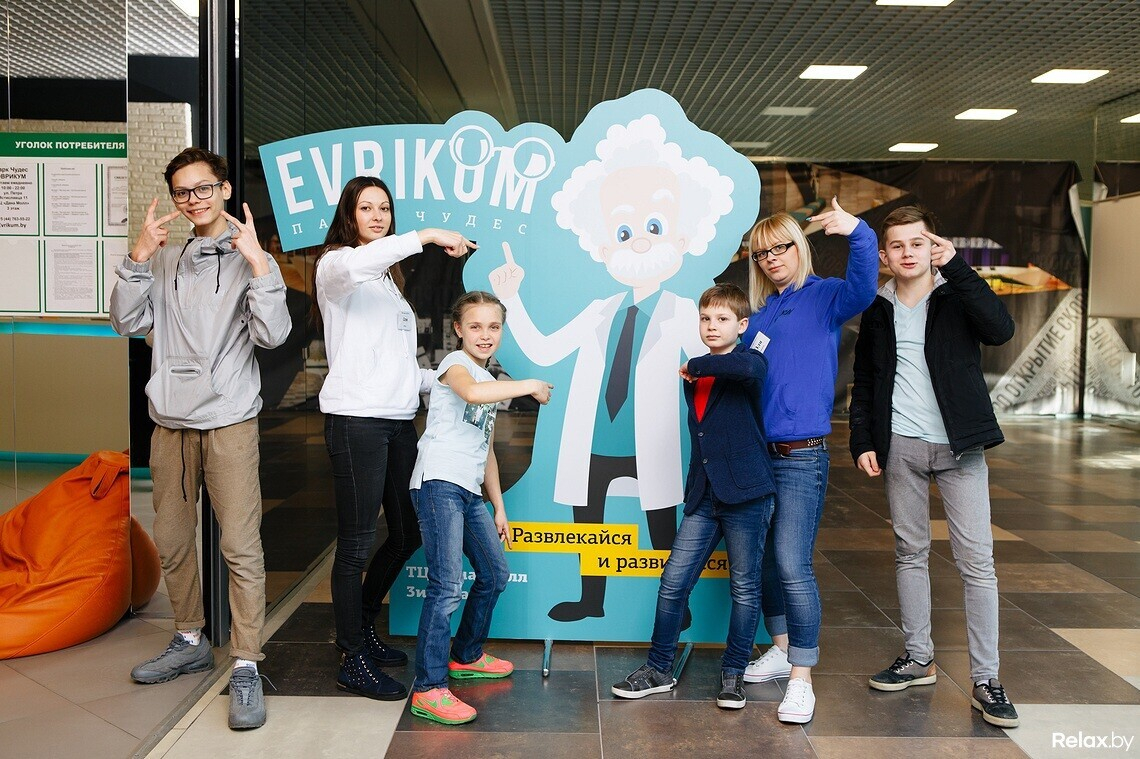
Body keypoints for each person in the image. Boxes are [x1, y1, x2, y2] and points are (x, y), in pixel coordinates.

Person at [489, 114, 728, 623]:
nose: (639, 241)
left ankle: (675, 604)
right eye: (624, 231)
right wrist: (512, 299)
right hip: (596, 438)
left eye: (654, 228)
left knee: (662, 521)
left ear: (680, 239)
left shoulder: (684, 312)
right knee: (589, 521)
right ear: (604, 247)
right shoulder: (600, 310)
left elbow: (716, 359)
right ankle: (590, 599)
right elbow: (545, 350)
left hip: (651, 439)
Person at [110, 147, 291, 730]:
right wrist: (138, 259)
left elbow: (274, 335)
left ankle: (246, 662)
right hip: (170, 421)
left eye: (204, 188)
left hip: (229, 420)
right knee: (172, 539)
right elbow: (127, 323)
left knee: (240, 546)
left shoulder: (250, 255)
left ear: (224, 188)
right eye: (183, 191)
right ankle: (189, 638)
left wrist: (259, 264)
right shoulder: (163, 256)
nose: (194, 199)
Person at [849, 205, 1018, 728]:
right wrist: (862, 440)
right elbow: (866, 380)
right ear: (884, 255)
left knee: (977, 563)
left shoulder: (956, 293)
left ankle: (987, 679)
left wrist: (959, 267)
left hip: (960, 446)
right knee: (910, 552)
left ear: (932, 246)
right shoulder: (877, 308)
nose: (907, 253)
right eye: (897, 245)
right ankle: (918, 657)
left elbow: (1000, 329)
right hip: (901, 444)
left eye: (917, 243)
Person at [314, 176, 475, 701]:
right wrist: (427, 235)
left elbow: (398, 366)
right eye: (366, 208)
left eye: (384, 207)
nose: (378, 215)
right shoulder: (336, 266)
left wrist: (449, 376)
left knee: (407, 532)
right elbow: (359, 263)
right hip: (356, 421)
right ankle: (351, 658)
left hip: (397, 420)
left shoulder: (386, 281)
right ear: (349, 215)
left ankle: (361, 626)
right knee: (356, 544)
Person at [739, 199, 878, 723]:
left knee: (793, 563)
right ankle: (780, 648)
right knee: (765, 560)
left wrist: (857, 231)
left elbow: (864, 287)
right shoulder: (760, 314)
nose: (771, 258)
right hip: (757, 456)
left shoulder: (826, 297)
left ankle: (802, 678)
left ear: (799, 247)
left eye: (779, 247)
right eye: (761, 253)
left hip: (801, 457)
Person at [611, 283, 775, 710]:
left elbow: (747, 369)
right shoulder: (697, 375)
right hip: (704, 496)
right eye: (705, 319)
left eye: (722, 319)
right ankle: (658, 670)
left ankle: (733, 674)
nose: (711, 326)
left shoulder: (748, 362)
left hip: (747, 494)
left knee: (745, 589)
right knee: (673, 583)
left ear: (742, 325)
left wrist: (698, 364)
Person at [408, 291, 554, 725]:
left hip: (469, 492)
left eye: (493, 326)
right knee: (446, 586)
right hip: (439, 483)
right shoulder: (456, 365)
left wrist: (499, 507)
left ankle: (466, 655)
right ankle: (428, 688)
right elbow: (470, 393)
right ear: (458, 329)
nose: (485, 334)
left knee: (494, 574)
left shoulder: (488, 379)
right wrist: (529, 384)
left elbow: (485, 449)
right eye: (475, 326)